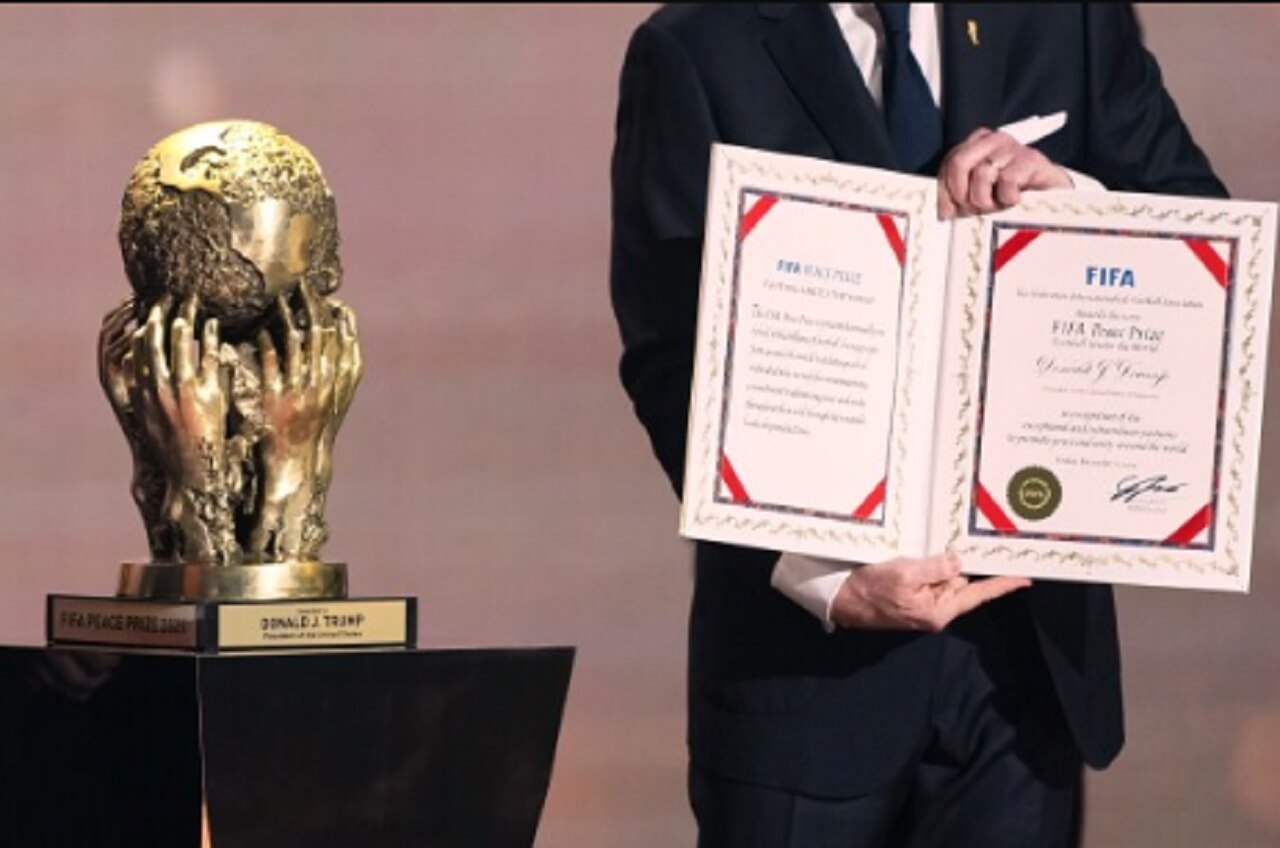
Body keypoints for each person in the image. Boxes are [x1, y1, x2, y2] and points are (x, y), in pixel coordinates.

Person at [608, 4, 1227, 846]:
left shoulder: (1065, 17)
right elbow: (669, 355)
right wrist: (823, 577)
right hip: (801, 679)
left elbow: (1198, 229)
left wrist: (1070, 200)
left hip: (1021, 666)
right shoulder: (694, 48)